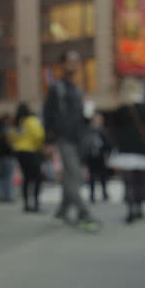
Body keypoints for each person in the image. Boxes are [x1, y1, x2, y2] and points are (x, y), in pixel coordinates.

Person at [43, 50, 100, 232]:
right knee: (74, 176)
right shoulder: (56, 88)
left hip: (78, 140)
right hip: (64, 139)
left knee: (70, 177)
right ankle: (85, 215)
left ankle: (61, 212)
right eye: (70, 61)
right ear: (63, 65)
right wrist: (49, 141)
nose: (74, 65)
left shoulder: (78, 90)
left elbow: (81, 118)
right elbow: (48, 116)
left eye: (77, 61)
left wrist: (90, 118)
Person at [107, 78, 145, 224]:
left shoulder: (119, 110)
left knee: (129, 183)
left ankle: (131, 210)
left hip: (124, 152)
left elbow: (112, 131)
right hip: (142, 151)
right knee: (140, 181)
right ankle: (139, 207)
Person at [8, 102, 45, 213]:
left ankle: (26, 204)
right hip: (31, 150)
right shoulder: (32, 120)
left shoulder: (17, 123)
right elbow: (39, 135)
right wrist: (39, 146)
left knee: (26, 178)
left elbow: (10, 137)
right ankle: (36, 203)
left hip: (19, 151)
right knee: (37, 177)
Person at [83, 113, 112, 204]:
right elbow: (84, 144)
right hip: (91, 156)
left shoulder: (103, 130)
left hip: (101, 155)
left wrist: (107, 154)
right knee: (92, 175)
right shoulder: (88, 130)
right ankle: (92, 194)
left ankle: (104, 193)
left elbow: (108, 143)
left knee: (103, 175)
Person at [0, 113, 16, 203]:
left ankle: (1, 196)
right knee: (8, 177)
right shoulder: (7, 131)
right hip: (8, 156)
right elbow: (12, 143)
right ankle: (7, 196)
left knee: (0, 177)